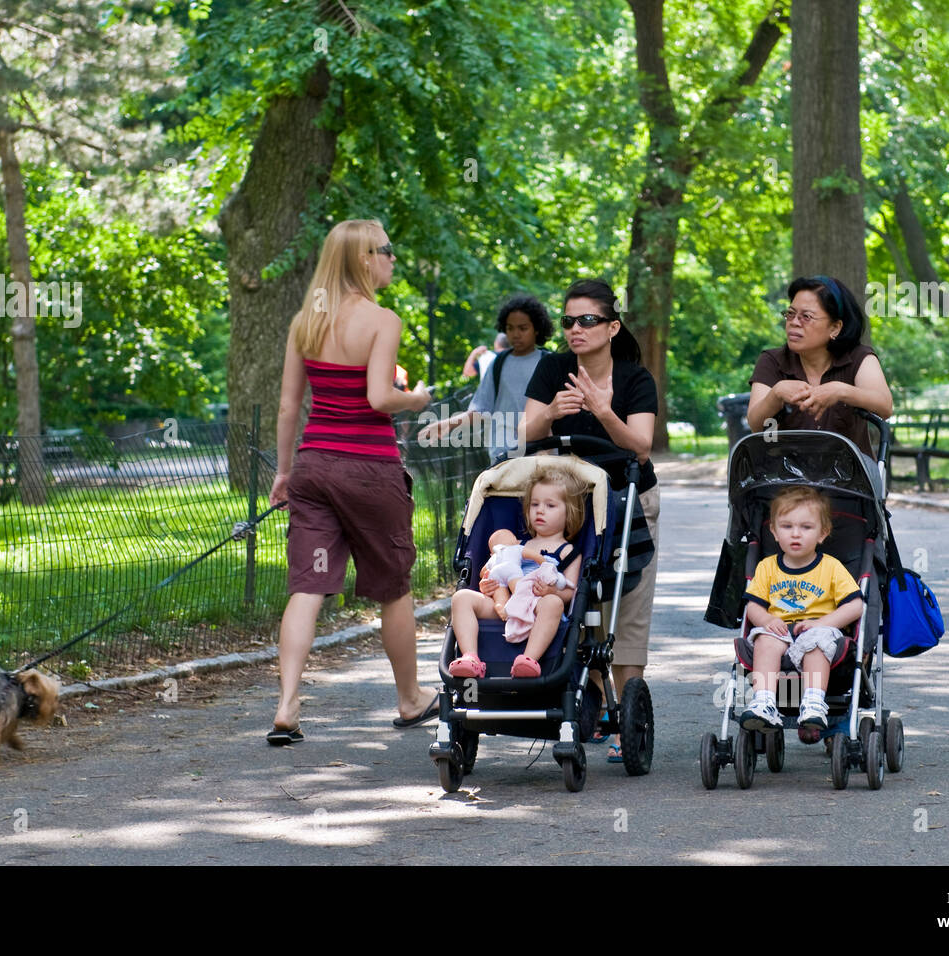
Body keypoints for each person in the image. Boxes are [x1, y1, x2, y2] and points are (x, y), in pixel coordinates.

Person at [267, 219, 437, 744]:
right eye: (386, 250)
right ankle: (410, 699)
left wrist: (284, 472)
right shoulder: (383, 321)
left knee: (308, 586)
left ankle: (288, 704)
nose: (392, 258)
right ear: (365, 258)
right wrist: (419, 398)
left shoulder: (305, 323)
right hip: (368, 471)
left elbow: (289, 405)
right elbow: (379, 399)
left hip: (314, 468)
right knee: (393, 587)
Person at [518, 278, 658, 763]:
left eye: (587, 321)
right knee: (577, 602)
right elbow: (525, 434)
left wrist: (603, 412)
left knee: (624, 608)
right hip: (567, 502)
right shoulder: (553, 368)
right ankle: (592, 705)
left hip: (627, 497)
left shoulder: (635, 378)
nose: (575, 329)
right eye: (569, 321)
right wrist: (552, 414)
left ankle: (627, 721)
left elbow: (640, 445)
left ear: (611, 327)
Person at [739, 486, 864, 733]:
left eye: (806, 528)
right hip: (780, 629)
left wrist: (823, 623)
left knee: (816, 643)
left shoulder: (831, 567)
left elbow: (856, 605)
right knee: (764, 639)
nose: (796, 534)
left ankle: (814, 702)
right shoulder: (767, 567)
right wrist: (765, 619)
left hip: (820, 629)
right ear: (773, 531)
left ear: (823, 533)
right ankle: (764, 702)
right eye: (787, 527)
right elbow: (752, 605)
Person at [746, 275, 893, 481]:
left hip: (851, 486)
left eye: (806, 317)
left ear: (835, 328)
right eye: (790, 314)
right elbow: (756, 425)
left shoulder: (859, 357)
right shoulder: (772, 361)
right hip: (787, 484)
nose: (794, 323)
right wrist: (776, 394)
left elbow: (885, 407)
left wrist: (841, 391)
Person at [448, 468, 585, 679]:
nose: (540, 511)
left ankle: (528, 660)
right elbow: (497, 571)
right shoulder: (516, 545)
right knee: (461, 597)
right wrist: (488, 586)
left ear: (570, 512)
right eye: (534, 504)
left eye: (550, 506)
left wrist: (552, 592)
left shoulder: (569, 552)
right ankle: (470, 657)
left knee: (554, 604)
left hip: (537, 607)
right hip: (505, 605)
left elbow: (571, 592)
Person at [418, 295, 553, 462]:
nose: (515, 334)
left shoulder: (549, 363)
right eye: (510, 328)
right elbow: (481, 410)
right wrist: (447, 423)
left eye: (523, 328)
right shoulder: (498, 364)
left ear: (537, 329)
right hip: (503, 454)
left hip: (542, 454)